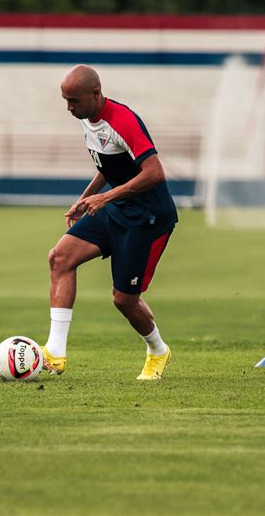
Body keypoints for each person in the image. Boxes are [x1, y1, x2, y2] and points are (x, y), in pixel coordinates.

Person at [42, 65, 178, 380]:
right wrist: (85, 196)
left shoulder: (123, 120)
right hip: (117, 207)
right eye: (65, 100)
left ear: (95, 94)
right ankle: (55, 353)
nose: (69, 108)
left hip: (148, 217)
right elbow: (110, 163)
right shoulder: (87, 118)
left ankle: (158, 350)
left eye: (73, 101)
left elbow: (154, 172)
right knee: (60, 258)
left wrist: (104, 198)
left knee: (124, 300)